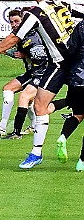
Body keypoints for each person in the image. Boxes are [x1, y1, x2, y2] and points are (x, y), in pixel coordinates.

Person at [0, 0, 84, 169]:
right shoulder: (64, 5)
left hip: (60, 64)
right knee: (78, 110)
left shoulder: (34, 13)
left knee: (41, 106)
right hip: (79, 65)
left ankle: (36, 153)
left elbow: (14, 38)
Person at [0, 9, 47, 137]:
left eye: (16, 21)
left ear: (24, 21)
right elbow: (19, 54)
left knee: (25, 97)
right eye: (11, 22)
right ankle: (30, 126)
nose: (14, 24)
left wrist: (25, 54)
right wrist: (7, 52)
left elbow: (41, 54)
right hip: (31, 72)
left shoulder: (34, 34)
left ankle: (8, 128)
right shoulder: (19, 36)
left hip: (41, 73)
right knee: (8, 89)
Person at [55, 19, 84, 172]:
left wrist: (68, 74)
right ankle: (82, 161)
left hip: (77, 78)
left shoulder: (81, 25)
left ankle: (63, 136)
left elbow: (70, 50)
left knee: (77, 114)